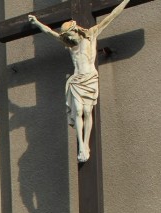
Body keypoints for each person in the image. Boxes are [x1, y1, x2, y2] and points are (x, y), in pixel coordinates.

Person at [28, 0, 131, 162]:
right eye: (67, 36)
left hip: (89, 78)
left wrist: (125, 1)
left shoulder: (91, 35)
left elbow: (112, 16)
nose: (69, 38)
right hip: (76, 81)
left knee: (88, 112)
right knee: (77, 111)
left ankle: (86, 144)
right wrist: (37, 23)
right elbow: (49, 33)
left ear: (76, 30)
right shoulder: (69, 44)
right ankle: (81, 145)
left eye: (70, 34)